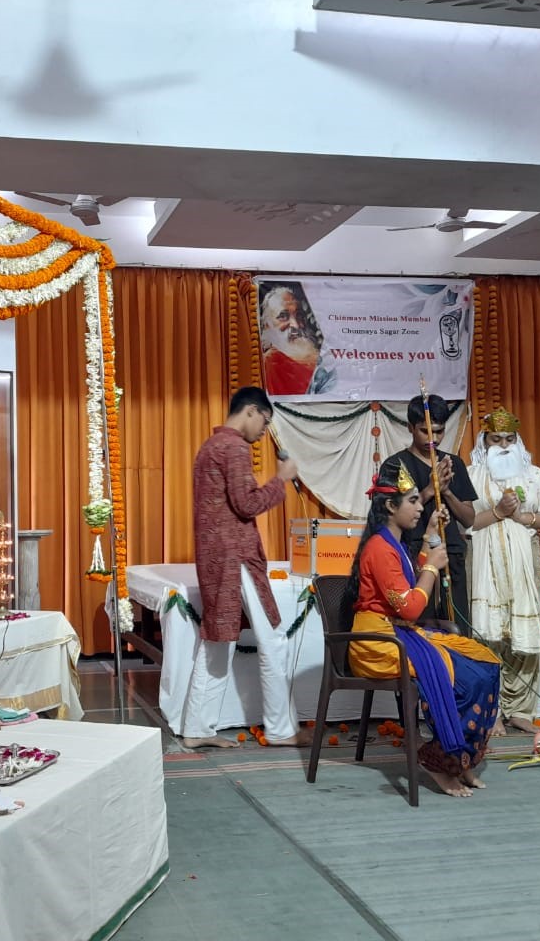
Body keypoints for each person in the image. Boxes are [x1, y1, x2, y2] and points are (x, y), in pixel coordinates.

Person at [343, 456, 502, 797]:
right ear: (390, 505)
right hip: (378, 641)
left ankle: (460, 758)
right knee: (462, 675)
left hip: (397, 633)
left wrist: (429, 537)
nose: (420, 506)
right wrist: (431, 567)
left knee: (485, 665)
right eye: (413, 501)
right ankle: (440, 760)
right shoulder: (379, 549)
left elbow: (406, 586)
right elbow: (412, 607)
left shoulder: (391, 543)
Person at [183, 386, 306, 748]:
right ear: (251, 411)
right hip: (236, 558)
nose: (263, 433)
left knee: (217, 644)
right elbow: (246, 504)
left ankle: (196, 729)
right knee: (273, 639)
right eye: (265, 423)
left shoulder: (209, 447)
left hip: (215, 558)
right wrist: (281, 480)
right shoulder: (235, 446)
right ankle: (282, 730)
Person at [467, 407, 540, 735]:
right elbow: (463, 521)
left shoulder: (533, 475)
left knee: (524, 640)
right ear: (485, 441)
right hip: (483, 561)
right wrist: (497, 512)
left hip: (524, 559)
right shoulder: (471, 475)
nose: (504, 445)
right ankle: (489, 711)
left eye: (510, 439)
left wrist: (524, 518)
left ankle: (521, 710)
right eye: (497, 439)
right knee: (487, 636)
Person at [388, 394, 476, 633]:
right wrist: (429, 490)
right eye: (425, 431)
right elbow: (390, 517)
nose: (433, 439)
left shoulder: (454, 464)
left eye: (439, 431)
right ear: (410, 428)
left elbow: (469, 519)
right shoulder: (395, 466)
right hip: (414, 555)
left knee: (457, 629)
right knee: (420, 628)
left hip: (451, 555)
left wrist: (446, 492)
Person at [258, 283, 330, 396]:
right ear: (267, 326)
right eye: (283, 316)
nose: (296, 325)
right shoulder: (268, 364)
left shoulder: (320, 360)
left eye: (299, 315)